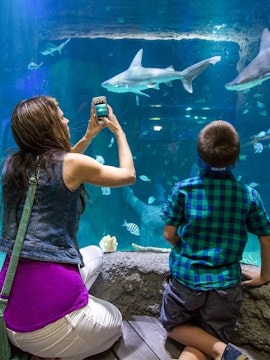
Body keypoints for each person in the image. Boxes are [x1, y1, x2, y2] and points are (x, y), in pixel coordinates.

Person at [0, 95, 136, 360]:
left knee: (95, 253)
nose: (66, 119)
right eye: (61, 116)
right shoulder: (73, 165)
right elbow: (128, 175)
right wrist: (118, 130)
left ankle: (70, 301)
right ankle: (66, 328)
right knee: (116, 320)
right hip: (46, 333)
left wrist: (87, 137)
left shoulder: (11, 166)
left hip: (8, 314)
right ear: (48, 125)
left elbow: (56, 170)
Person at [159, 120, 270, 360]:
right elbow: (266, 238)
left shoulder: (183, 190)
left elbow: (168, 233)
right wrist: (265, 275)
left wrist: (184, 248)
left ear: (199, 157)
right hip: (226, 286)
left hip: (186, 281)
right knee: (211, 335)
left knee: (174, 327)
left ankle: (220, 350)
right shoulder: (249, 195)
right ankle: (222, 350)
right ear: (237, 159)